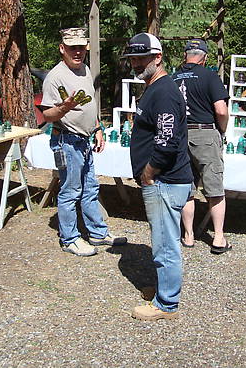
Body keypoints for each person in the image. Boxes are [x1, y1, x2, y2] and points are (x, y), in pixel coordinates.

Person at [124, 32, 193, 321]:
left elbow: (167, 140)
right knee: (164, 240)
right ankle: (164, 289)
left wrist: (149, 173)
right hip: (164, 181)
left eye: (142, 58)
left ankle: (166, 304)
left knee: (165, 245)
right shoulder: (156, 88)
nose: (136, 63)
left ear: (158, 57)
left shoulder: (163, 91)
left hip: (165, 181)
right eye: (133, 59)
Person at [41, 27, 127, 256]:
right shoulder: (55, 77)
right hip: (66, 141)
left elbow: (90, 104)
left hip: (84, 140)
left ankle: (97, 233)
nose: (78, 52)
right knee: (70, 191)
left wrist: (97, 127)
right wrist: (63, 108)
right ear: (62, 48)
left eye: (81, 47)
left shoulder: (85, 70)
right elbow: (46, 115)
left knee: (90, 188)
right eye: (73, 48)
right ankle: (69, 239)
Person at [172, 39, 231, 254]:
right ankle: (218, 238)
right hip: (205, 133)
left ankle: (188, 235)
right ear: (204, 58)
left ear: (185, 55)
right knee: (214, 188)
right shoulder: (209, 76)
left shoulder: (173, 78)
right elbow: (221, 110)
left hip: (180, 135)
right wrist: (222, 130)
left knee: (187, 187)